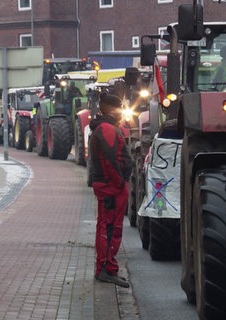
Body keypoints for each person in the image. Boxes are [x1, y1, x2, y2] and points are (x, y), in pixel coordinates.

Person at [89, 93, 133, 288]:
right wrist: (119, 184)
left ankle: (104, 268)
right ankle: (107, 269)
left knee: (105, 226)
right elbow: (110, 159)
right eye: (119, 109)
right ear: (112, 110)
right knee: (111, 229)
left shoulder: (103, 128)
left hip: (107, 185)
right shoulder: (107, 129)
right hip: (111, 187)